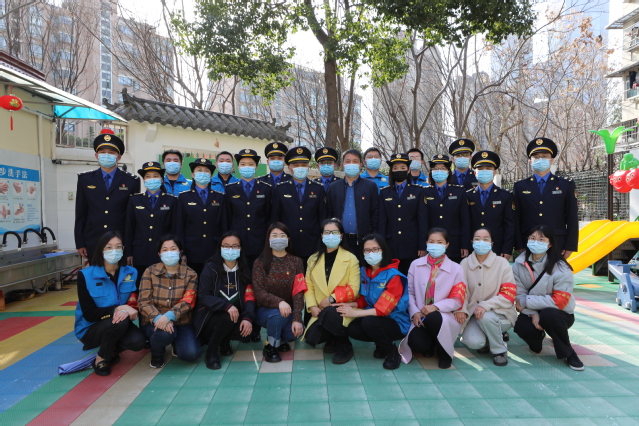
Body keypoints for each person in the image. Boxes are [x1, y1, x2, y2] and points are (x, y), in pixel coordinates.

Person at [74, 231, 145, 376]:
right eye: (109, 247)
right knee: (120, 322)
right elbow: (89, 314)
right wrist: (118, 308)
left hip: (120, 322)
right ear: (101, 250)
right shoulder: (85, 275)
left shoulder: (131, 272)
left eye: (118, 247)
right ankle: (102, 358)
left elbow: (134, 299)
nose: (114, 251)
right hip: (90, 328)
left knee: (138, 342)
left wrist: (126, 310)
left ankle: (110, 348)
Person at [513, 225, 584, 371]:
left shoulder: (561, 267)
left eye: (541, 239)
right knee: (521, 326)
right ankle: (536, 341)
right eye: (532, 238)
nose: (536, 242)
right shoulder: (518, 265)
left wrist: (527, 302)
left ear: (550, 244)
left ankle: (568, 353)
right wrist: (533, 314)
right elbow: (519, 296)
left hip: (559, 314)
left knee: (549, 314)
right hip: (531, 311)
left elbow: (559, 301)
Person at [337, 234, 410, 370]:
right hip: (373, 318)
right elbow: (364, 299)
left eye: (375, 249)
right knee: (353, 329)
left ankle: (391, 351)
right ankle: (381, 345)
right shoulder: (364, 272)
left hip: (395, 321)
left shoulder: (394, 275)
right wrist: (352, 305)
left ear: (384, 250)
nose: (371, 253)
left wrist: (354, 313)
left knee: (368, 322)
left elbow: (383, 310)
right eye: (367, 250)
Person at [399, 228, 467, 369]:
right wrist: (415, 312)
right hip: (420, 316)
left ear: (447, 244)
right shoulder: (415, 265)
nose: (435, 245)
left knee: (434, 317)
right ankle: (432, 344)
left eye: (440, 242)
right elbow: (409, 293)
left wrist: (436, 307)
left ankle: (444, 353)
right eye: (432, 241)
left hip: (443, 316)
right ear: (426, 243)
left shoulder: (456, 268)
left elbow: (457, 298)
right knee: (417, 344)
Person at [193, 232, 256, 370]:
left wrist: (248, 318)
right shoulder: (211, 268)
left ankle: (224, 341)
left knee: (246, 333)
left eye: (234, 246)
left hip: (235, 316)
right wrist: (226, 306)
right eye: (226, 246)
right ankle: (212, 351)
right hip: (209, 317)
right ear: (220, 248)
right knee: (227, 317)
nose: (230, 250)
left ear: (240, 248)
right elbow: (203, 295)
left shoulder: (244, 269)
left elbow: (249, 296)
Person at [75, 130, 140, 260]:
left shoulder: (131, 181)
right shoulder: (85, 179)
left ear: (119, 157)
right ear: (96, 155)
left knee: (119, 272)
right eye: (102, 152)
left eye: (111, 152)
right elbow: (81, 213)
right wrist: (80, 242)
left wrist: (130, 246)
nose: (106, 155)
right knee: (96, 272)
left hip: (120, 241)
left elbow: (133, 217)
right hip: (93, 240)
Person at [456, 228, 517, 367]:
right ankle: (488, 340)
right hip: (474, 315)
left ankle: (499, 350)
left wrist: (485, 305)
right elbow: (461, 292)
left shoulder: (502, 263)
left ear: (492, 243)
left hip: (500, 313)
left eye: (486, 239)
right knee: (474, 342)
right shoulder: (464, 263)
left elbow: (508, 294)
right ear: (472, 242)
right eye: (477, 239)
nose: (481, 242)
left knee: (486, 317)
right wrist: (462, 309)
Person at [304, 218, 360, 364]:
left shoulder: (351, 259)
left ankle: (344, 344)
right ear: (321, 235)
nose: (330, 235)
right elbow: (308, 286)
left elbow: (354, 289)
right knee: (312, 336)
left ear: (341, 235)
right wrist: (312, 307)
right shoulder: (312, 259)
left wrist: (331, 299)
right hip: (320, 309)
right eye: (327, 232)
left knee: (331, 313)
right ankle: (333, 337)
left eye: (335, 232)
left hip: (343, 307)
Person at [139, 235, 200, 368]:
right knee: (164, 334)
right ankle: (157, 353)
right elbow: (144, 301)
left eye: (173, 249)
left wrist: (169, 316)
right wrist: (159, 318)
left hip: (181, 321)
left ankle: (175, 342)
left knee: (190, 354)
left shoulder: (191, 274)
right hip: (154, 320)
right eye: (165, 250)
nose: (169, 253)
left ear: (180, 252)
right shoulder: (150, 271)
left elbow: (188, 301)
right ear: (159, 254)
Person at [513, 138, 578, 257]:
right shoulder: (520, 186)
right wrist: (519, 244)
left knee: (555, 269)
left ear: (551, 160)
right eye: (536, 157)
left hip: (557, 242)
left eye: (544, 156)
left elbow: (572, 217)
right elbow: (516, 218)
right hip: (529, 242)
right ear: (530, 161)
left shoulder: (565, 185)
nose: (540, 160)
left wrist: (570, 246)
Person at [252, 223, 305, 363]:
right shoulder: (259, 263)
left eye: (282, 235)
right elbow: (259, 293)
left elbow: (298, 293)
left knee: (297, 331)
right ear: (268, 239)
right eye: (274, 235)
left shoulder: (296, 262)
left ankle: (279, 339)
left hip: (287, 311)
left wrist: (297, 319)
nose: (278, 238)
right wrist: (279, 302)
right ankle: (270, 346)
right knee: (277, 314)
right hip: (264, 311)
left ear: (288, 239)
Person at [125, 161, 177, 289]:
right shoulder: (134, 200)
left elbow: (175, 229)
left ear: (161, 179)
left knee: (163, 287)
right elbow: (129, 228)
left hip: (164, 253)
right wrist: (128, 252)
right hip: (140, 252)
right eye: (148, 176)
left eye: (155, 176)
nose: (152, 179)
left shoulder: (171, 200)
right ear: (144, 180)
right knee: (142, 286)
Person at [272, 146, 326, 265]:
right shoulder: (280, 189)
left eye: (303, 165)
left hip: (312, 243)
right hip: (288, 244)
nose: (300, 168)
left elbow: (322, 217)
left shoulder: (318, 188)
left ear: (308, 167)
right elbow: (276, 218)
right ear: (289, 168)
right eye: (296, 165)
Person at [175, 158, 227, 277]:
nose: (202, 173)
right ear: (193, 174)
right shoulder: (184, 197)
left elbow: (224, 225)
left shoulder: (220, 197)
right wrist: (181, 252)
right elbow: (179, 227)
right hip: (191, 251)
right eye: (199, 170)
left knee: (213, 281)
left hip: (213, 250)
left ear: (211, 175)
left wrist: (224, 249)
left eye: (206, 171)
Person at [378, 153, 428, 275]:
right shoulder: (384, 193)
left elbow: (422, 220)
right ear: (391, 170)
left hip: (412, 245)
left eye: (402, 168)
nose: (398, 171)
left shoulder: (418, 191)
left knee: (412, 279)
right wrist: (381, 245)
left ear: (408, 169)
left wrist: (422, 245)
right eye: (395, 168)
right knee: (392, 279)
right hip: (391, 245)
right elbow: (382, 221)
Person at [326, 149, 379, 259]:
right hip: (339, 240)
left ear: (360, 165)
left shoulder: (370, 186)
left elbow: (375, 214)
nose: (351, 164)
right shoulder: (333, 187)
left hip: (363, 241)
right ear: (343, 165)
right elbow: (329, 214)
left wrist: (374, 237)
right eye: (348, 161)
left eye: (355, 161)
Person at [225, 149, 273, 266]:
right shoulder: (230, 189)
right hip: (237, 242)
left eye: (251, 164)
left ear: (256, 167)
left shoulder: (266, 188)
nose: (247, 167)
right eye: (243, 164)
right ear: (238, 167)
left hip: (259, 242)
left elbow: (269, 216)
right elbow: (227, 217)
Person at [466, 151, 515, 259]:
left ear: (494, 172)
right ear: (475, 172)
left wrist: (507, 249)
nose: (484, 171)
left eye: (488, 169)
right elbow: (465, 223)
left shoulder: (505, 196)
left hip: (497, 247)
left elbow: (509, 225)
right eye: (480, 169)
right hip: (473, 247)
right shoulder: (468, 196)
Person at [422, 154, 470, 263]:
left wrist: (465, 244)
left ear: (448, 172)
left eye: (443, 168)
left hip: (454, 243)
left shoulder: (459, 192)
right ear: (431, 171)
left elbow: (465, 220)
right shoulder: (424, 192)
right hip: (432, 244)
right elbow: (422, 220)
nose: (439, 171)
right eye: (436, 168)